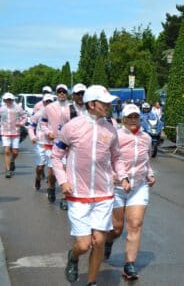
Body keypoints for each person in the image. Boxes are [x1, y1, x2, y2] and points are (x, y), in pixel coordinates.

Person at [52, 85, 129, 285]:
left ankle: (91, 282)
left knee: (99, 241)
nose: (108, 106)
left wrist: (123, 176)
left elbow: (117, 158)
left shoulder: (111, 128)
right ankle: (74, 256)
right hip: (78, 194)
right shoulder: (73, 126)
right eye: (104, 103)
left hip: (104, 194)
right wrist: (63, 180)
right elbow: (56, 155)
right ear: (92, 104)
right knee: (84, 244)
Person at [104, 104, 156, 280]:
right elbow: (106, 161)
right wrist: (114, 177)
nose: (134, 120)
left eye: (136, 116)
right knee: (117, 228)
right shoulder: (114, 136)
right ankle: (108, 241)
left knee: (135, 223)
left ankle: (129, 265)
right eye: (130, 117)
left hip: (138, 187)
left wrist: (150, 174)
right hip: (117, 187)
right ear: (123, 119)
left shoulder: (146, 138)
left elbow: (146, 161)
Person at [41, 84, 73, 209]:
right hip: (52, 143)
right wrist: (48, 132)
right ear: (56, 93)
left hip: (69, 144)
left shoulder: (72, 107)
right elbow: (43, 124)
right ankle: (51, 187)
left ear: (67, 93)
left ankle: (64, 198)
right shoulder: (49, 107)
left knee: (66, 170)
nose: (61, 93)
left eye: (64, 91)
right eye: (59, 91)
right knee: (52, 172)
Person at [28, 94, 55, 190]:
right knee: (40, 167)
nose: (48, 103)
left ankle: (51, 188)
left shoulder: (57, 114)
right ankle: (37, 178)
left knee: (52, 168)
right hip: (41, 143)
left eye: (50, 102)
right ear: (43, 103)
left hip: (52, 144)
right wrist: (33, 137)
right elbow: (31, 128)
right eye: (46, 102)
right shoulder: (38, 114)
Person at [0, 92, 27, 178]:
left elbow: (25, 116)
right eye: (7, 100)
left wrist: (21, 123)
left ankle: (12, 161)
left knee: (15, 152)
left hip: (15, 132)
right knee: (7, 151)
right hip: (5, 132)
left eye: (10, 100)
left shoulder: (18, 108)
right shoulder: (2, 109)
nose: (9, 101)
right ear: (4, 100)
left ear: (12, 100)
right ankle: (8, 170)